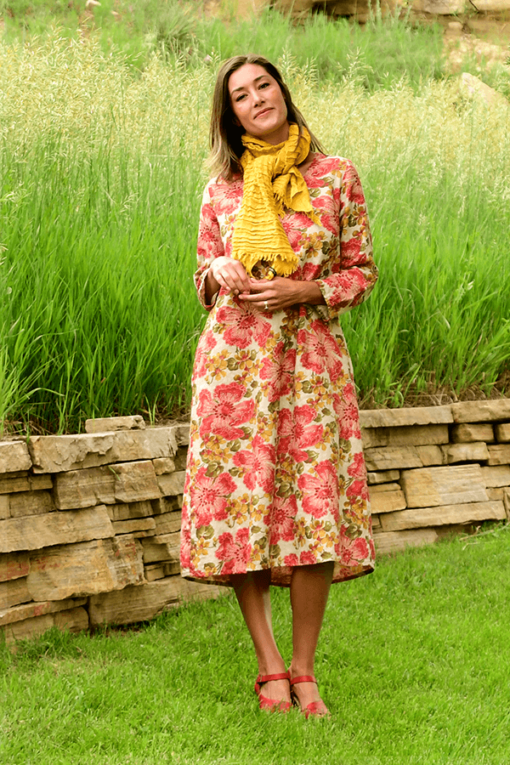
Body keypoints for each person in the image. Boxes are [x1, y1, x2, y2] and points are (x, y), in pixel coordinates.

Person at [180, 54, 378, 718]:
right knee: (242, 509)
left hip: (311, 364)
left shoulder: (335, 178)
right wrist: (219, 267)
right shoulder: (221, 190)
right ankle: (269, 666)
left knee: (314, 508)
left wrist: (307, 287)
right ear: (231, 114)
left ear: (284, 92)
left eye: (263, 85)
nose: (255, 98)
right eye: (240, 94)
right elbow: (202, 281)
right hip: (234, 367)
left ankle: (304, 667)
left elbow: (360, 271)